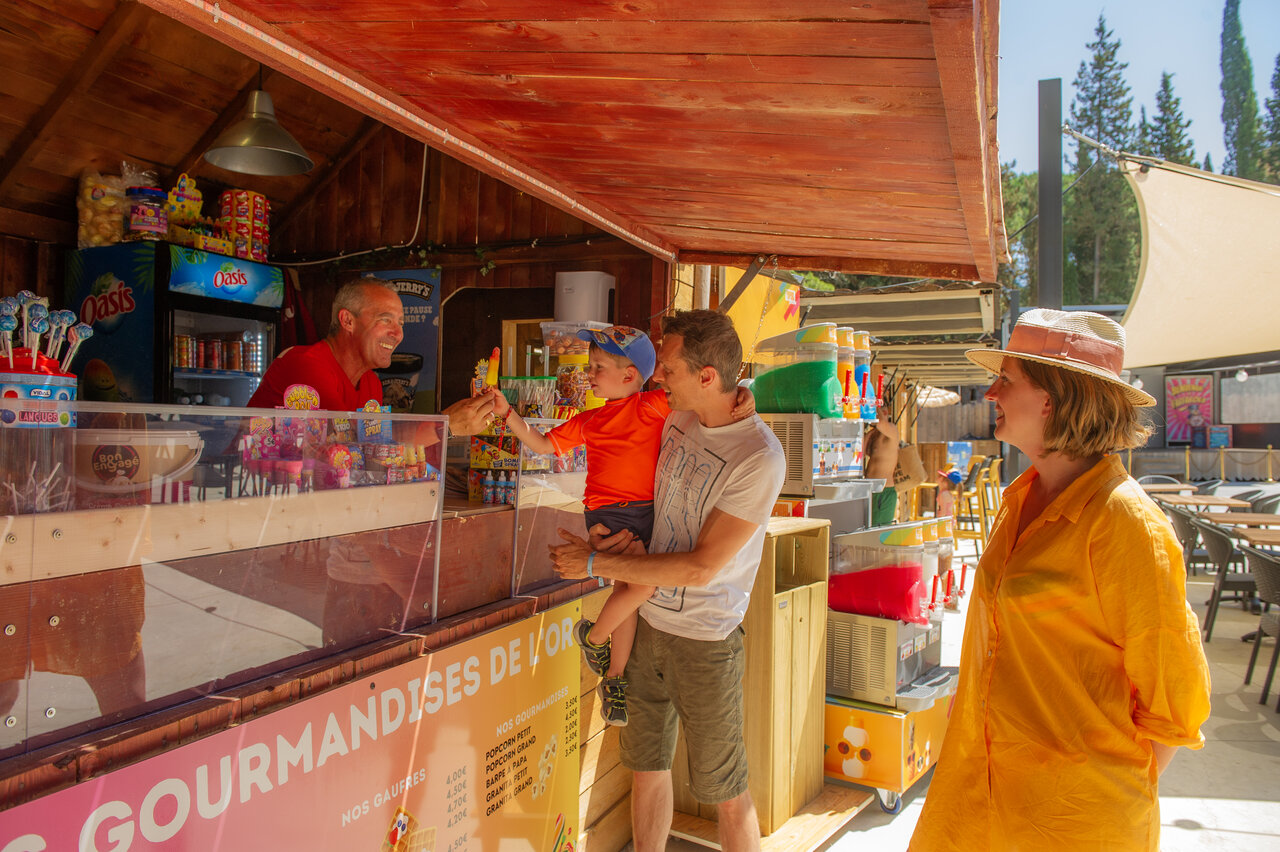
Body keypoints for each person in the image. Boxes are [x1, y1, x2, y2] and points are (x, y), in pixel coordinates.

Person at [909, 309, 1211, 852]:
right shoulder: (1019, 497)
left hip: (1069, 824)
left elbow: (1174, 704)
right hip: (978, 801)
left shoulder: (1125, 524)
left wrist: (1087, 797)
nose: (990, 392)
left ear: (1051, 400)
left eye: (1007, 380)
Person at [548, 309, 785, 852]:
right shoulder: (674, 418)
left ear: (707, 377)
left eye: (669, 369)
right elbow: (641, 501)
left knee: (727, 789)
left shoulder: (758, 458)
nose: (658, 378)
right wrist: (619, 544)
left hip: (705, 639)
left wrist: (596, 563)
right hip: (644, 619)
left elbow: (702, 567)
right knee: (645, 766)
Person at [493, 325, 754, 727]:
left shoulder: (651, 405)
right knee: (642, 587)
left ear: (630, 376)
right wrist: (507, 414)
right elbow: (543, 444)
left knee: (631, 591)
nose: (589, 374)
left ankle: (614, 679)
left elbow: (707, 396)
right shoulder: (590, 420)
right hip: (610, 514)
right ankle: (594, 638)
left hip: (644, 512)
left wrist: (744, 394)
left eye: (597, 367)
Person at [863, 417, 900, 525]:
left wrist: (877, 408)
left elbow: (881, 422)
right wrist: (870, 433)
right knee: (867, 526)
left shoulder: (892, 430)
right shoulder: (876, 435)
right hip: (870, 489)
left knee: (877, 528)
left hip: (884, 490)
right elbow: (860, 451)